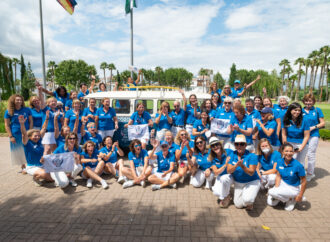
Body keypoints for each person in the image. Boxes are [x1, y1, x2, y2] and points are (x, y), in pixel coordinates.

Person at [267, 143, 307, 211]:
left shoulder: (298, 165)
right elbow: (278, 175)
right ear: (282, 152)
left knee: (271, 192)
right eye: (286, 151)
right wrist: (276, 188)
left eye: (291, 151)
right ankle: (289, 198)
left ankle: (292, 198)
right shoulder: (279, 161)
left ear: (293, 152)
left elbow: (304, 181)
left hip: (293, 188)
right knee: (271, 203)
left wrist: (300, 195)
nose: (289, 153)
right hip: (283, 184)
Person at [227, 135, 260, 210]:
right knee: (238, 205)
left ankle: (250, 200)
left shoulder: (252, 156)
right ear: (234, 145)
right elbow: (229, 170)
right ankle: (248, 195)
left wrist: (242, 166)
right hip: (238, 182)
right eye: (237, 144)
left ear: (245, 145)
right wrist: (236, 165)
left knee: (247, 200)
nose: (239, 146)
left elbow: (251, 172)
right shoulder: (232, 154)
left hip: (252, 181)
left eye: (241, 144)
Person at [19, 115, 52, 185]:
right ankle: (36, 178)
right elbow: (24, 134)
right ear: (30, 136)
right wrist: (22, 124)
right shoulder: (27, 143)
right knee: (46, 175)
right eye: (35, 136)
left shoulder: (39, 141)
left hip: (42, 165)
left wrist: (47, 119)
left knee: (55, 174)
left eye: (38, 136)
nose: (37, 137)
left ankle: (45, 176)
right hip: (32, 167)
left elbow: (43, 128)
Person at [4, 94, 32, 170]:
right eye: (17, 100)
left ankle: (30, 164)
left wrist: (30, 132)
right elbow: (7, 125)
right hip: (16, 134)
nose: (19, 101)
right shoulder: (8, 111)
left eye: (20, 100)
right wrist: (10, 136)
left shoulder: (27, 110)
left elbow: (31, 122)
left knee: (28, 148)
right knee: (19, 150)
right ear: (13, 101)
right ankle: (23, 166)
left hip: (26, 133)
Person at [302, 94, 325, 181]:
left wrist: (313, 127)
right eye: (306, 101)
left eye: (310, 101)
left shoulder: (317, 110)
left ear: (313, 102)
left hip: (313, 135)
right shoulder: (300, 110)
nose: (308, 102)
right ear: (304, 101)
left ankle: (310, 173)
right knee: (302, 153)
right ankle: (302, 172)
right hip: (303, 135)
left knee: (311, 154)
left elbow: (322, 123)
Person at [209, 137, 232, 208]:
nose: (215, 147)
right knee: (216, 192)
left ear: (220, 145)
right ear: (211, 148)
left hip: (230, 175)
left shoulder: (229, 151)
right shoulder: (212, 157)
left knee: (224, 179)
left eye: (217, 144)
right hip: (220, 175)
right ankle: (227, 194)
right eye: (213, 146)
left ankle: (226, 197)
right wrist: (225, 164)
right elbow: (216, 172)